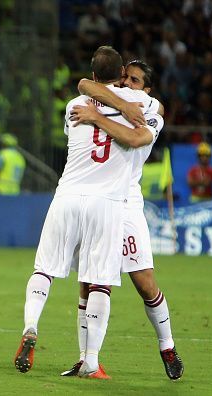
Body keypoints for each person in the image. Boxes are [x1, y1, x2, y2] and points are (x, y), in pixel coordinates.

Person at [14, 46, 159, 379]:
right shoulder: (142, 105)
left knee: (44, 269)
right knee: (99, 283)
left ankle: (31, 325)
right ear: (122, 73)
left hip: (66, 196)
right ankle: (91, 358)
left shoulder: (73, 106)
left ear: (94, 75)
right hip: (106, 204)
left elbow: (84, 91)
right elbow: (145, 123)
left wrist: (97, 113)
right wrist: (123, 105)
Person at [60, 59, 184, 380]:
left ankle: (167, 345)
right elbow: (85, 85)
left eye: (135, 80)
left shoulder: (151, 111)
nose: (128, 84)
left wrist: (98, 117)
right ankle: (88, 360)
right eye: (125, 78)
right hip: (97, 203)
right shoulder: (113, 99)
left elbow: (136, 139)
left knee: (145, 283)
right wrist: (115, 106)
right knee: (88, 283)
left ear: (147, 89)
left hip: (127, 205)